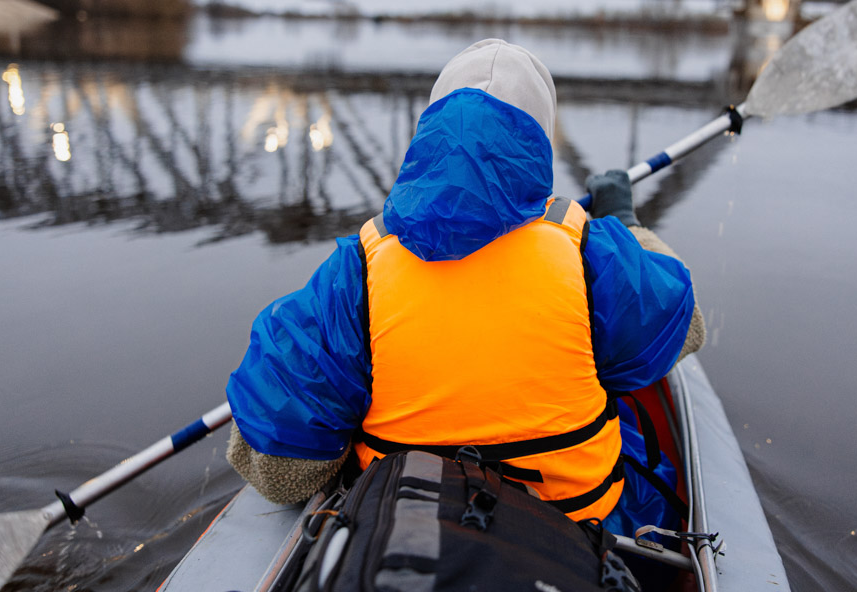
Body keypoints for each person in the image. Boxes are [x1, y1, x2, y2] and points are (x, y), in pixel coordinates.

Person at [225, 38, 705, 533]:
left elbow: (281, 473)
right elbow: (687, 327)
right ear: (539, 139)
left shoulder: (358, 270)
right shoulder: (590, 251)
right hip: (579, 538)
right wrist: (627, 225)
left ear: (428, 129)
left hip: (401, 537)